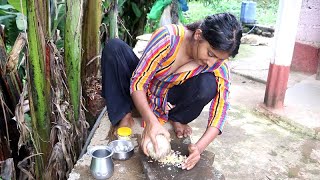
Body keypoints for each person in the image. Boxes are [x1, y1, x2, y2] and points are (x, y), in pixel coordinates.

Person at [101, 12, 242, 170]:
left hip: (167, 98)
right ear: (198, 35)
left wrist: (199, 148)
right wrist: (151, 123)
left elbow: (220, 110)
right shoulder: (168, 38)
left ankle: (177, 118)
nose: (212, 63)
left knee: (208, 84)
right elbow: (138, 82)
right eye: (210, 54)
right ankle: (125, 115)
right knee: (114, 48)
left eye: (219, 59)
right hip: (144, 89)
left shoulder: (217, 65)